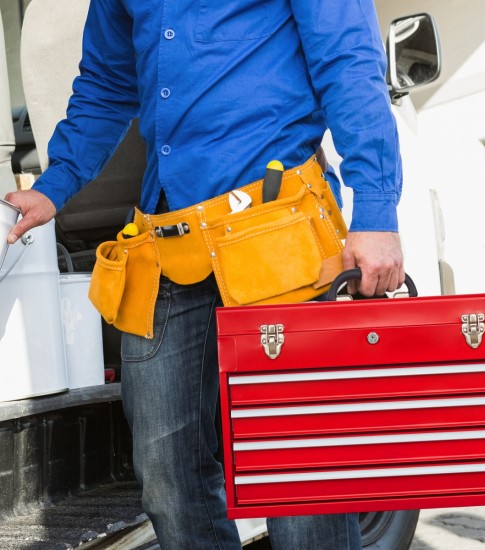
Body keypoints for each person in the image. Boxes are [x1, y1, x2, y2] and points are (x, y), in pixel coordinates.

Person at [5, 1, 405, 548]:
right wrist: (54, 186)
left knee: (294, 466)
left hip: (278, 231)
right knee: (167, 469)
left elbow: (347, 61)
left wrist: (377, 208)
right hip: (168, 236)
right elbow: (106, 84)